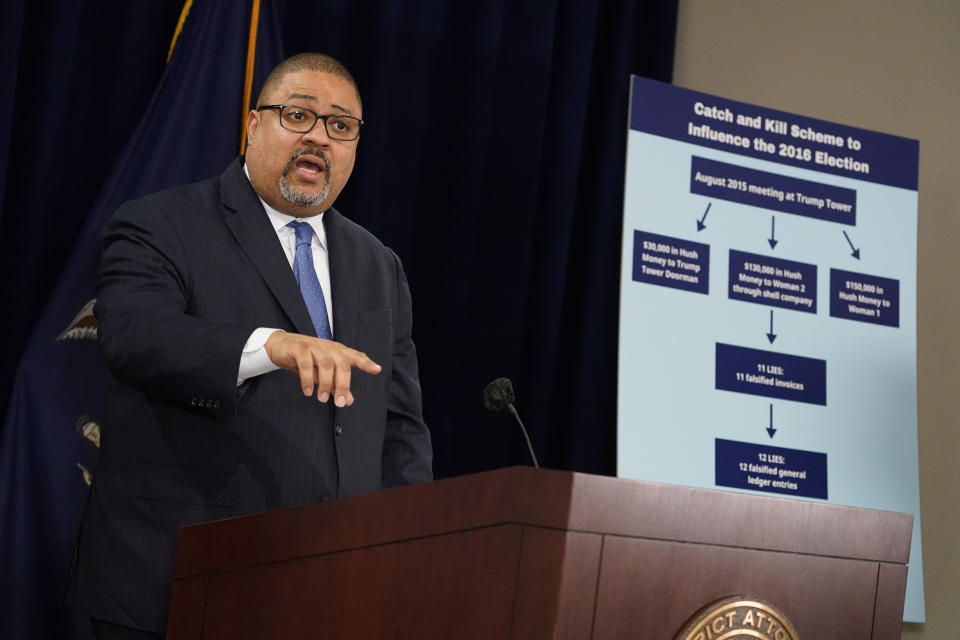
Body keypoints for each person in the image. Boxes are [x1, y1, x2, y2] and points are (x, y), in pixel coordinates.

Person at [67, 53, 433, 638]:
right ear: (253, 122)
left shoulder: (378, 265)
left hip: (329, 588)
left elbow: (399, 426)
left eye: (340, 126)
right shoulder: (161, 224)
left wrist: (406, 550)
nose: (319, 136)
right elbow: (135, 336)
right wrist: (271, 346)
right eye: (298, 115)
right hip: (179, 581)